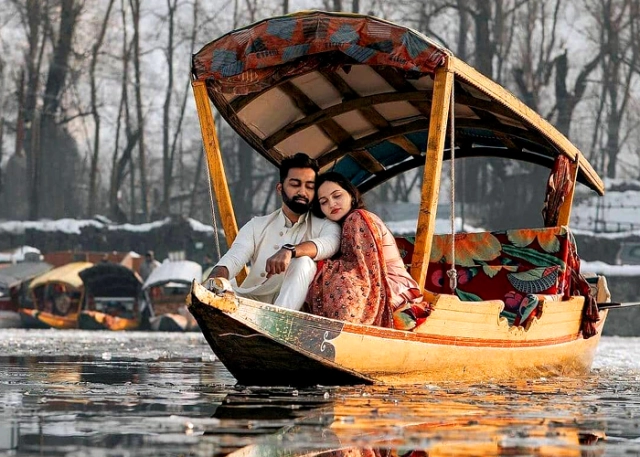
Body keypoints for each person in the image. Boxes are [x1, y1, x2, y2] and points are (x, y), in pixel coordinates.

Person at [207, 153, 341, 310]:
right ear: (280, 188)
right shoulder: (256, 225)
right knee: (217, 287)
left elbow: (331, 243)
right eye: (295, 184)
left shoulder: (326, 225)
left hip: (293, 315)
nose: (302, 192)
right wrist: (215, 279)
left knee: (303, 262)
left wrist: (290, 251)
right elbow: (234, 258)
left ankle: (278, 322)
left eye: (310, 186)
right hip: (249, 304)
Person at [306, 172, 431, 330]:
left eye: (337, 196)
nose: (332, 204)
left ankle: (345, 336)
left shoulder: (358, 218)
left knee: (340, 281)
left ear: (351, 195)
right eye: (324, 202)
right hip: (386, 283)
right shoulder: (341, 226)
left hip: (390, 285)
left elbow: (367, 268)